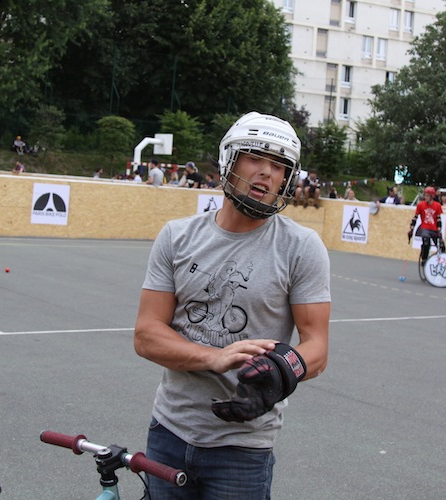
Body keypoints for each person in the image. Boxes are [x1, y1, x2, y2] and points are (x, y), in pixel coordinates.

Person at [134, 112, 331, 499]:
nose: (267, 174)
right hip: (169, 431)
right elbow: (146, 335)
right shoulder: (177, 236)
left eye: (279, 166)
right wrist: (215, 357)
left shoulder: (301, 248)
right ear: (230, 159)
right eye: (256, 158)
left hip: (244, 448)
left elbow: (317, 348)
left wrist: (279, 371)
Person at [408, 186, 445, 268]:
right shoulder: (421, 205)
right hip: (425, 228)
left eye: (427, 196)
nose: (425, 197)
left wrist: (439, 231)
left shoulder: (437, 205)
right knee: (426, 241)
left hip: (434, 228)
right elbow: (415, 217)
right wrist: (411, 228)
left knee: (442, 246)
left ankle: (441, 261)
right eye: (425, 195)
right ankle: (424, 259)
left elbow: (438, 219)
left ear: (432, 196)